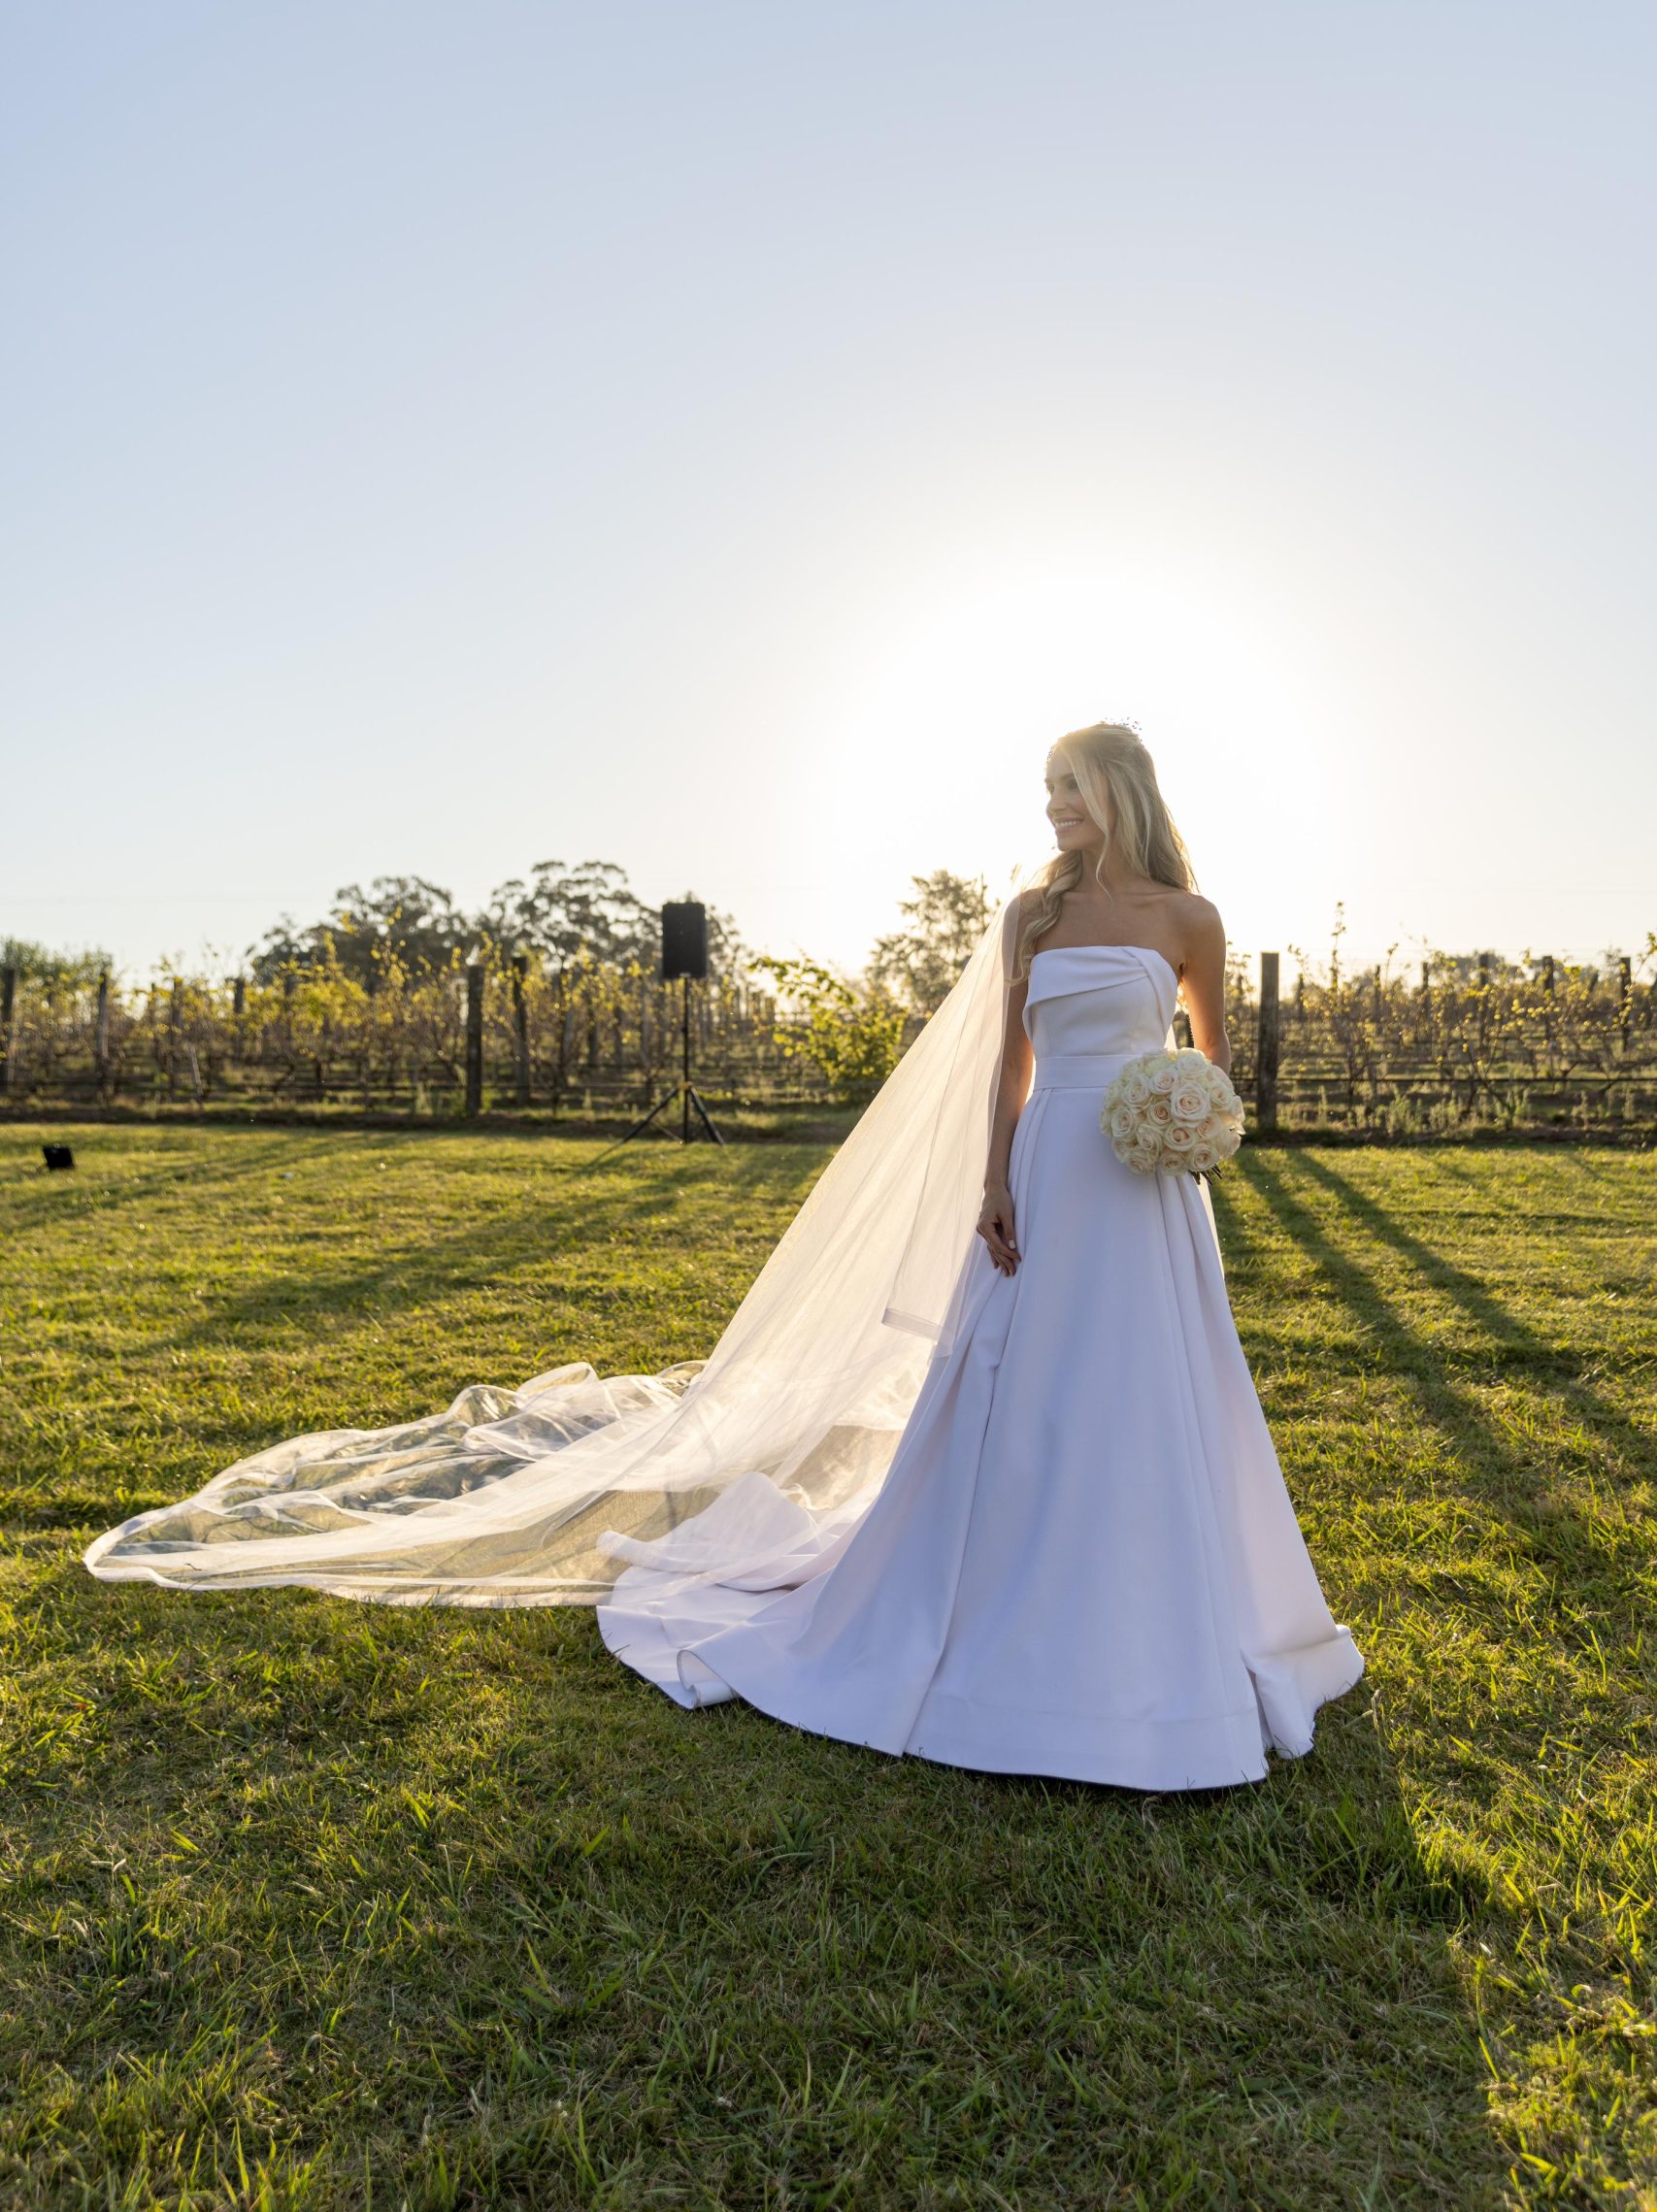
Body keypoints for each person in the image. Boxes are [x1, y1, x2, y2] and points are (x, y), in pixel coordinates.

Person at [86, 720, 1362, 1791]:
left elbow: (1212, 1064)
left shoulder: (1189, 917)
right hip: (1042, 1171)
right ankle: (990, 1602)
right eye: (1047, 791)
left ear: (1117, 792)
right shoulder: (1031, 919)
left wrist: (1190, 1123)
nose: (1052, 806)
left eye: (1068, 787)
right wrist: (989, 1178)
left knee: (1149, 1391)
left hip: (1139, 1188)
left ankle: (1161, 1625)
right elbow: (1004, 1069)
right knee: (1021, 1388)